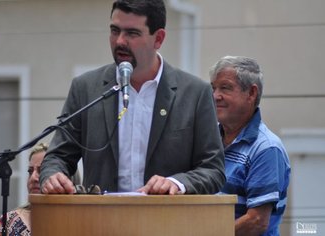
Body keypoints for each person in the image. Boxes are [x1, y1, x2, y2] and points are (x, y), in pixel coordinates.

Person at [39, 0, 225, 195]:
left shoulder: (195, 94)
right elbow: (58, 156)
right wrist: (53, 175)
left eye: (132, 33)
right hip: (100, 221)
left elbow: (213, 170)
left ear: (158, 39)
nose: (120, 41)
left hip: (167, 220)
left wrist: (176, 183)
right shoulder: (86, 88)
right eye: (114, 30)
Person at [209, 55, 291, 235]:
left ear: (251, 93)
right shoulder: (208, 137)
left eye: (225, 88)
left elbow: (256, 221)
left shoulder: (266, 148)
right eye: (213, 88)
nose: (215, 96)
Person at [0, 143, 81, 235]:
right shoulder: (6, 223)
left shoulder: (83, 221)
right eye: (30, 171)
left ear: (68, 179)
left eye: (42, 170)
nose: (33, 178)